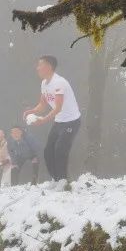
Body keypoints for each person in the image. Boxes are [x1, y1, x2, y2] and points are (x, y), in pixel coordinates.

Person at [23, 55, 82, 183]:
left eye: (40, 65)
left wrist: (43, 120)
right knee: (48, 151)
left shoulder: (59, 82)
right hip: (59, 122)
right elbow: (43, 105)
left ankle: (63, 181)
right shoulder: (44, 83)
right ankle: (57, 180)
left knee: (60, 149)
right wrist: (32, 111)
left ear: (49, 66)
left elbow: (58, 107)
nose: (37, 68)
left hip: (71, 121)